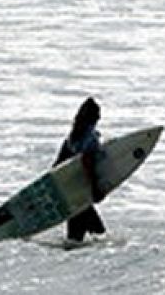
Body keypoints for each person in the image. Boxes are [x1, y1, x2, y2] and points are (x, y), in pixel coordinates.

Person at [58, 98, 107, 244]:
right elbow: (87, 163)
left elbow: (58, 163)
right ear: (95, 117)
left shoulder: (72, 137)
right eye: (98, 114)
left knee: (75, 239)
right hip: (82, 194)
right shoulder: (90, 138)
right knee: (99, 235)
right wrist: (95, 189)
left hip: (70, 193)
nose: (100, 117)